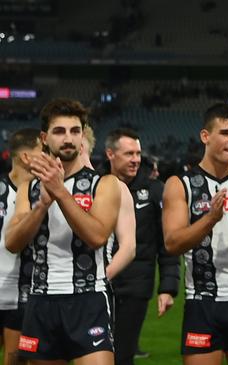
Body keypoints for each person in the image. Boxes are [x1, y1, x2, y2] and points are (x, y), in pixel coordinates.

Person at [6, 98, 121, 364]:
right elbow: (13, 243)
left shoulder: (104, 184)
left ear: (82, 136)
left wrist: (59, 192)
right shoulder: (29, 187)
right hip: (41, 301)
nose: (68, 138)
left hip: (88, 299)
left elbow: (97, 237)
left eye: (75, 131)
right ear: (45, 138)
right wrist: (42, 205)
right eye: (59, 131)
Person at [162, 103, 228, 365]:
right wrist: (210, 218)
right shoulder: (181, 184)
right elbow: (172, 243)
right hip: (202, 303)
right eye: (225, 133)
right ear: (205, 136)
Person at [104, 128, 179, 365]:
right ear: (110, 154)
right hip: (95, 286)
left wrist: (168, 287)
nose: (136, 159)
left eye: (137, 153)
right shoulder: (96, 186)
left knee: (122, 355)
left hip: (135, 288)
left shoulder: (154, 190)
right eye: (128, 154)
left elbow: (166, 244)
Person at [0, 129, 41, 365]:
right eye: (41, 151)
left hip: (24, 295)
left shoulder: (44, 194)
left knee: (16, 360)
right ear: (27, 157)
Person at [79, 125, 136, 284]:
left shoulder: (113, 187)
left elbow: (128, 248)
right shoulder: (53, 187)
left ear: (81, 145)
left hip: (94, 288)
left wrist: (101, 278)